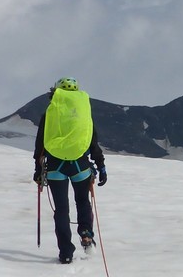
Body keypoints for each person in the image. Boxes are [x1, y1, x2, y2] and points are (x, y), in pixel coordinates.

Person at [33, 77, 108, 264]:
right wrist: (101, 165)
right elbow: (92, 142)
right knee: (82, 201)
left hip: (55, 166)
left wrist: (37, 169)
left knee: (61, 210)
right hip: (80, 165)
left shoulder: (50, 113)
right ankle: (86, 235)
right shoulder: (83, 114)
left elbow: (40, 145)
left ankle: (66, 252)